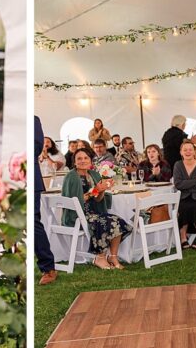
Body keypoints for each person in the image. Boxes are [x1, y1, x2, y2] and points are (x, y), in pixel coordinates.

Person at [61, 148, 131, 270]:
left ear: (90, 160)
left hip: (93, 212)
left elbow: (98, 200)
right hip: (78, 215)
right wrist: (96, 190)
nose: (83, 161)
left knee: (117, 220)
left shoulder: (93, 174)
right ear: (74, 162)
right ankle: (100, 257)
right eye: (79, 158)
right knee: (103, 221)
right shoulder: (71, 177)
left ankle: (113, 257)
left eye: (85, 158)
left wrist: (102, 189)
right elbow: (75, 202)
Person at [34, 117, 58, 285]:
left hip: (30, 178)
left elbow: (36, 145)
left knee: (33, 222)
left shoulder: (33, 119)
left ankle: (48, 266)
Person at [173, 141, 196, 249]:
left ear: (194, 152)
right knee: (183, 207)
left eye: (190, 150)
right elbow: (178, 184)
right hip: (183, 198)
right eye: (185, 150)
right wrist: (195, 180)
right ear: (181, 152)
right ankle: (183, 236)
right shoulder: (178, 165)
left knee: (194, 206)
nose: (188, 152)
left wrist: (187, 184)